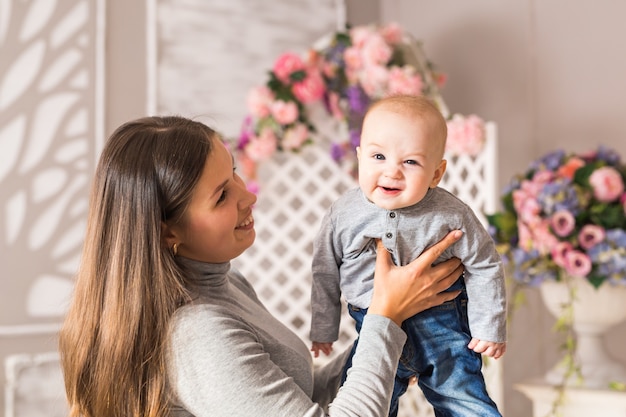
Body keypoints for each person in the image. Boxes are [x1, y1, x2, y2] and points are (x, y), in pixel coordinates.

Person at [58, 115, 466, 417]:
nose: (247, 196)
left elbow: (299, 395)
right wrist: (384, 317)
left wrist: (402, 327)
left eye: (233, 172)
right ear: (167, 232)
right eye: (221, 196)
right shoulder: (197, 333)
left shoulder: (229, 284)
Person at [310, 95, 506, 417]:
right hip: (374, 329)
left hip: (442, 327)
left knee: (464, 401)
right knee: (370, 402)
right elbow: (325, 271)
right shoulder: (342, 215)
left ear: (436, 173)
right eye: (378, 156)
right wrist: (323, 328)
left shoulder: (451, 214)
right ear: (359, 157)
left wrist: (489, 326)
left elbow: (484, 264)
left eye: (410, 162)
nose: (392, 172)